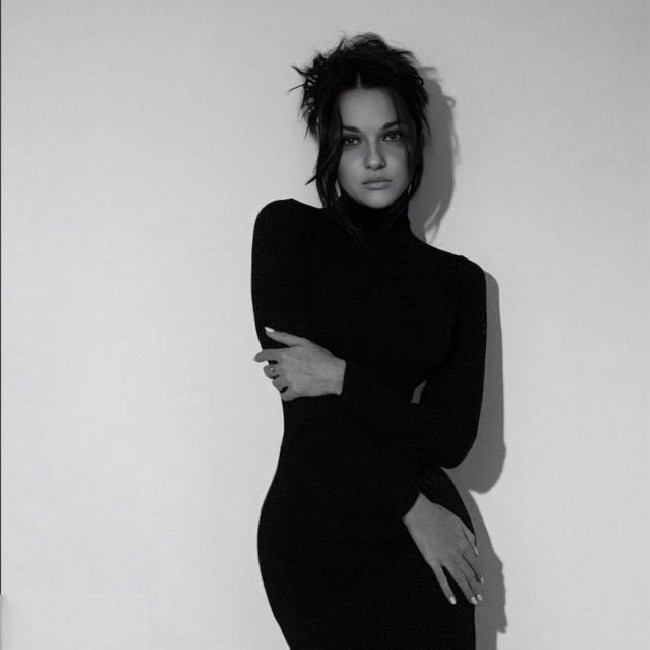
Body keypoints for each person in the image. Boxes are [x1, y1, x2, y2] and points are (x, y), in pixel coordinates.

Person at [251, 32, 487, 649]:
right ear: (330, 149)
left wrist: (340, 376)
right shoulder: (288, 235)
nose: (374, 158)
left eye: (391, 136)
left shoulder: (457, 282)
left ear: (415, 143)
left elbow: (450, 439)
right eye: (352, 140)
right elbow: (309, 418)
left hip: (428, 545)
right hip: (319, 534)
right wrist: (411, 506)